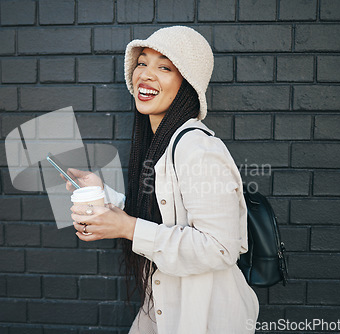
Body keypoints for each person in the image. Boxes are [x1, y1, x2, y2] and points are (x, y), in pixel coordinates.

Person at [65, 26, 259, 333]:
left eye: (164, 67)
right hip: (163, 311)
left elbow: (221, 247)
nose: (146, 73)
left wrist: (127, 228)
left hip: (205, 319)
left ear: (187, 85)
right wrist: (103, 197)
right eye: (142, 62)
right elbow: (159, 213)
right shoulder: (159, 144)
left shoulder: (198, 148)